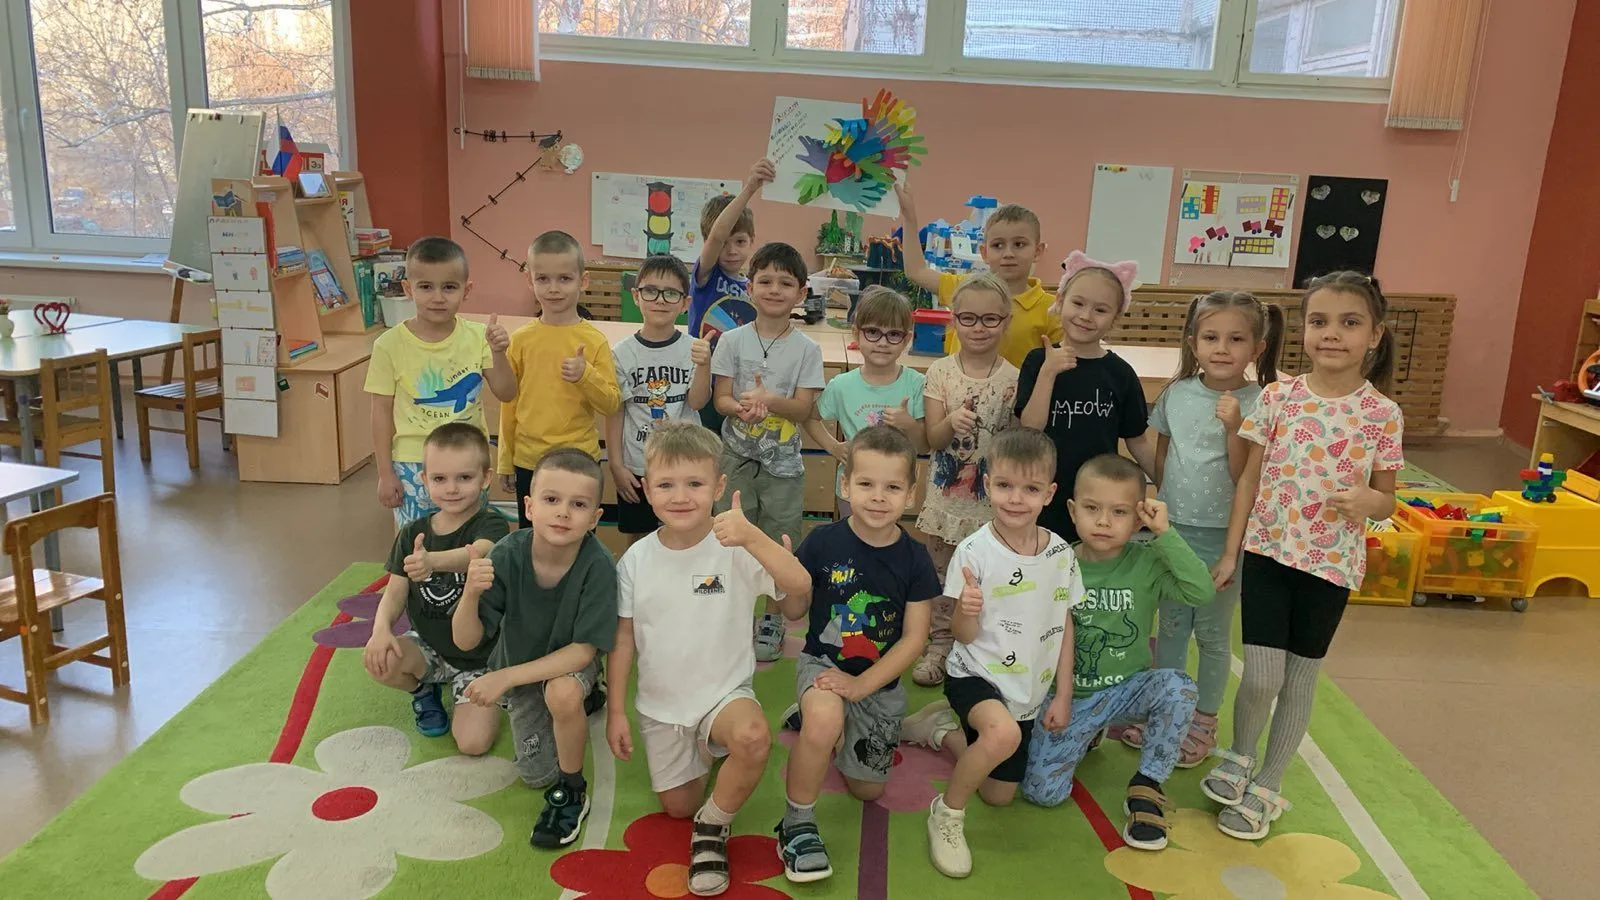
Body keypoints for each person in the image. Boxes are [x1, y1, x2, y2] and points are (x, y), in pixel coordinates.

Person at [1204, 271, 1403, 841]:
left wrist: (1370, 502)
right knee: (1261, 676)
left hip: (1330, 567)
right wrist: (1231, 551)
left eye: (1349, 322)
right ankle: (1241, 754)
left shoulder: (1382, 414)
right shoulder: (1278, 397)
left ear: (1375, 335)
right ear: (1304, 330)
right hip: (1268, 553)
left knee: (1298, 680)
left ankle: (1269, 782)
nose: (1332, 334)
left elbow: (1388, 499)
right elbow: (1248, 480)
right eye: (1319, 321)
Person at [605, 421, 811, 897]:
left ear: (719, 487)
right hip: (662, 708)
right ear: (646, 488)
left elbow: (798, 594)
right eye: (666, 485)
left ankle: (713, 827)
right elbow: (623, 640)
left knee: (753, 738)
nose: (681, 497)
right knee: (678, 806)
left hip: (724, 695)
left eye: (695, 484)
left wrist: (754, 538)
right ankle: (709, 752)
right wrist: (616, 710)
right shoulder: (635, 560)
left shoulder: (736, 545)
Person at [899, 428, 1081, 879]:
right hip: (973, 674)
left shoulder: (1061, 554)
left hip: (1027, 690)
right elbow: (961, 635)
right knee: (1002, 737)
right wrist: (967, 609)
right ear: (987, 484)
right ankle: (946, 815)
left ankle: (941, 732)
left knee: (999, 794)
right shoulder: (974, 552)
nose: (1016, 499)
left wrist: (1063, 694)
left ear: (1049, 493)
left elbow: (1064, 625)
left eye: (1030, 489)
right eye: (1004, 485)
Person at [1120, 291, 1285, 766]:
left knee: (1212, 635)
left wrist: (1235, 428)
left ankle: (1202, 723)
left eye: (1236, 339)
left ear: (1257, 348)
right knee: (1171, 629)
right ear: (1193, 343)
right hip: (1173, 532)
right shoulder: (1177, 393)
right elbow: (1163, 458)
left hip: (1222, 536)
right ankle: (1165, 712)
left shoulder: (1261, 401)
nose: (1222, 348)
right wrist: (1156, 512)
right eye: (1211, 337)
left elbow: (1243, 476)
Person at [1019, 454, 1215, 851]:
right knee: (1042, 793)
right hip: (1069, 697)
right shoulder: (1056, 562)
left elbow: (1201, 591)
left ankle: (1147, 784)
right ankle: (1087, 735)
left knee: (1178, 687)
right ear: (1072, 510)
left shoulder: (1147, 562)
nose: (1104, 522)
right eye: (1092, 508)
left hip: (1129, 691)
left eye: (1119, 512)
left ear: (1139, 518)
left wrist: (1165, 534)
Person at [775, 425, 937, 883]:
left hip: (877, 682)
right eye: (866, 484)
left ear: (911, 494)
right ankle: (796, 824)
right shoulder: (822, 542)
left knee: (867, 790)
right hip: (825, 667)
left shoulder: (916, 559)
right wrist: (786, 579)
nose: (878, 497)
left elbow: (914, 640)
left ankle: (824, 720)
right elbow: (793, 612)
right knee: (825, 719)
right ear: (845, 486)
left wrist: (862, 686)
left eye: (892, 487)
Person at [451, 448, 617, 850]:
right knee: (531, 773)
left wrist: (504, 677)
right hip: (521, 670)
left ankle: (572, 791)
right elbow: (466, 641)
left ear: (595, 518)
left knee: (561, 694)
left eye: (578, 505)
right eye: (552, 499)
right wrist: (469, 594)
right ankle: (583, 703)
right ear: (529, 507)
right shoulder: (507, 554)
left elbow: (582, 653)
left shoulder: (599, 565)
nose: (563, 513)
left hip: (564, 666)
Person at [709, 241, 825, 663]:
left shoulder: (808, 350)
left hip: (783, 464)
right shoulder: (731, 341)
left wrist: (770, 401)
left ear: (801, 292)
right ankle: (732, 613)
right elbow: (720, 399)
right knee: (730, 534)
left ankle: (773, 618)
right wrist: (740, 407)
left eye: (786, 283)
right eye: (766, 281)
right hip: (734, 458)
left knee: (780, 538)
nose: (775, 290)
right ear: (750, 287)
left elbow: (804, 408)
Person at [362, 422, 510, 747]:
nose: (452, 488)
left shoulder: (493, 523)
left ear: (485, 478)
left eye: (464, 477)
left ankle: (480, 688)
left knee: (473, 744)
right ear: (424, 479)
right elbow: (395, 592)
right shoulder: (412, 532)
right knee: (379, 657)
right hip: (429, 647)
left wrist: (432, 562)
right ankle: (422, 690)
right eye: (440, 479)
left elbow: (481, 553)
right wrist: (380, 629)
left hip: (481, 658)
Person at [910, 273, 1019, 687]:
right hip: (945, 504)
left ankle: (977, 649)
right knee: (943, 578)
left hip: (991, 507)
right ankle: (939, 646)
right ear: (953, 320)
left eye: (990, 319)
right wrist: (951, 422)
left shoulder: (1013, 380)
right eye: (968, 318)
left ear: (1006, 322)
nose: (979, 328)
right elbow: (931, 439)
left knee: (986, 580)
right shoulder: (940, 372)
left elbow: (1015, 446)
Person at [367, 236, 515, 526]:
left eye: (449, 287)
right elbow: (380, 411)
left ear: (466, 290)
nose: (437, 297)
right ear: (408, 289)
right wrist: (385, 473)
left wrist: (499, 353)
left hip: (469, 459)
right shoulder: (388, 345)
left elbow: (507, 392)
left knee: (469, 538)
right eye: (425, 287)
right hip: (413, 461)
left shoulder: (479, 337)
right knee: (415, 540)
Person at [1016, 251, 1155, 543]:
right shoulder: (1038, 361)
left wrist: (1168, 485)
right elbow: (1030, 428)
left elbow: (1138, 441)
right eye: (1078, 303)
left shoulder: (1120, 373)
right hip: (1042, 493)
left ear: (1115, 318)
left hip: (1097, 503)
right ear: (1060, 301)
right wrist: (1048, 373)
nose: (1086, 316)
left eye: (1100, 310)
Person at [497, 230, 621, 528]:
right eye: (543, 279)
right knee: (533, 538)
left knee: (578, 535)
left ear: (583, 281)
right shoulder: (521, 340)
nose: (553, 289)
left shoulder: (594, 341)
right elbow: (509, 404)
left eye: (564, 279)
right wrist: (505, 458)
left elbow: (611, 404)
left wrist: (585, 375)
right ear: (530, 280)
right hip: (530, 461)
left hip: (579, 460)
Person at [606, 254, 712, 547]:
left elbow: (698, 402)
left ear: (685, 303)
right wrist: (616, 464)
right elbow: (615, 411)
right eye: (651, 291)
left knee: (687, 535)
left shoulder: (694, 348)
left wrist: (704, 365)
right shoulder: (621, 354)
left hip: (685, 463)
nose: (660, 300)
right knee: (639, 538)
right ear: (636, 296)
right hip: (638, 464)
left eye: (671, 293)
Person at [895, 182, 1063, 367]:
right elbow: (916, 271)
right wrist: (909, 217)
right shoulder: (966, 289)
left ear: (1038, 251)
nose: (1008, 253)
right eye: (998, 245)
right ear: (984, 252)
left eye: (1019, 244)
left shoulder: (1052, 310)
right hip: (956, 385)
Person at [803, 286, 926, 517]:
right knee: (851, 537)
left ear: (907, 339)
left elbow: (925, 445)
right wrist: (833, 446)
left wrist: (908, 424)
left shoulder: (916, 383)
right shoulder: (842, 385)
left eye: (893, 334)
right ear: (856, 333)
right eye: (872, 332)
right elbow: (809, 417)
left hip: (895, 490)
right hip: (853, 489)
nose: (882, 342)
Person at [692, 159, 774, 435]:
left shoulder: (753, 287)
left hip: (737, 385)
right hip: (704, 383)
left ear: (752, 240)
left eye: (740, 241)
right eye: (724, 243)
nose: (731, 250)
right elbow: (716, 237)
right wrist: (750, 188)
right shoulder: (706, 275)